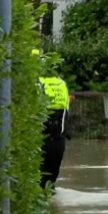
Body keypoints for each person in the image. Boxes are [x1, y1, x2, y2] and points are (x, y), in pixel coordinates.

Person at [35, 49, 72, 191]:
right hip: (58, 142)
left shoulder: (37, 83)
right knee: (50, 185)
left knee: (38, 185)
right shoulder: (62, 84)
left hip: (39, 141)